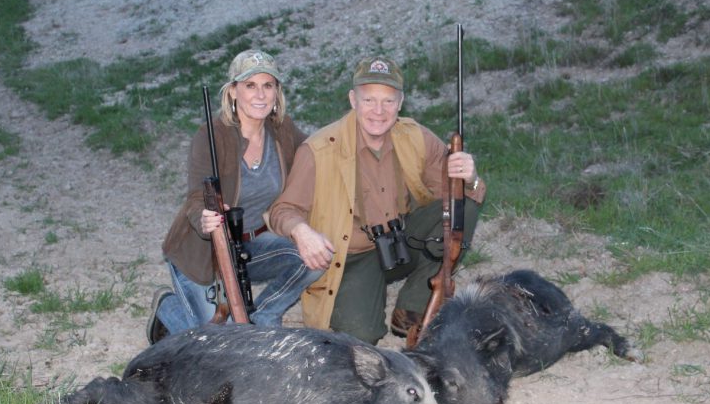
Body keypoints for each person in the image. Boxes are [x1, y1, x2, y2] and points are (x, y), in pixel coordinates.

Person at [268, 56, 485, 345]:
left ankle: (414, 304)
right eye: (369, 100)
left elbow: (459, 192)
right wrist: (302, 231)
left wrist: (468, 176)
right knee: (361, 336)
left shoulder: (415, 137)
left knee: (462, 209)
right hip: (352, 256)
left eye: (388, 101)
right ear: (353, 100)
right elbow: (282, 210)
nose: (379, 111)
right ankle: (369, 293)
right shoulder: (319, 150)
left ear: (401, 102)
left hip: (402, 242)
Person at [148, 49, 324, 343]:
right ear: (232, 92)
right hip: (202, 255)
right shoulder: (211, 135)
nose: (260, 95)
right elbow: (195, 197)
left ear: (277, 92)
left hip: (253, 245)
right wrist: (203, 219)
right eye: (250, 85)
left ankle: (265, 315)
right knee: (219, 344)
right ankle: (167, 307)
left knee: (315, 256)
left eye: (268, 85)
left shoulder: (282, 129)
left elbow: (317, 154)